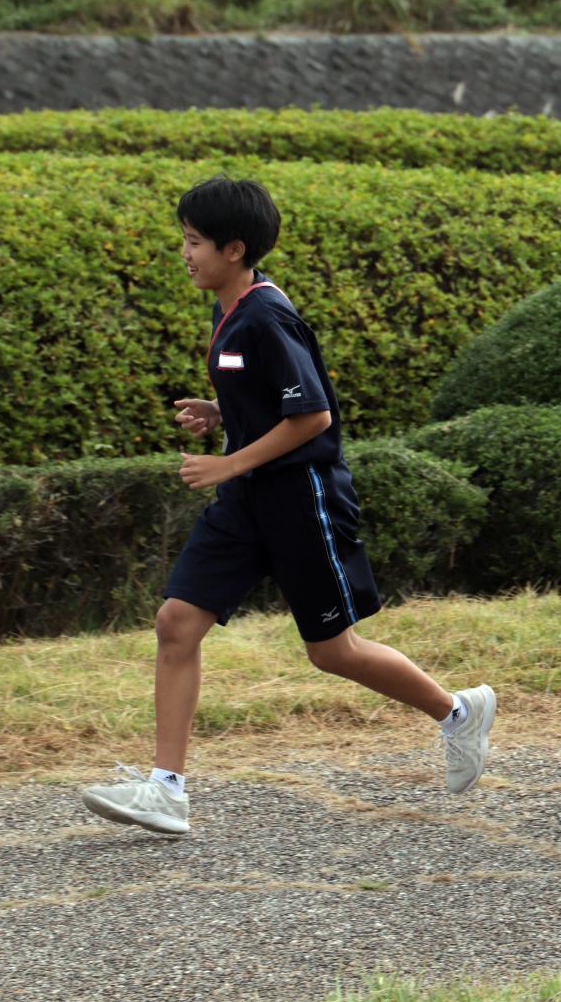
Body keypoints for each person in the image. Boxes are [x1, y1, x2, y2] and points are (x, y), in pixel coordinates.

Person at [81, 178, 494, 836]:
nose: (184, 253)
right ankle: (166, 788)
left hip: (302, 500)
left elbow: (313, 415)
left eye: (193, 242)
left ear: (234, 248)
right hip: (245, 500)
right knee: (176, 622)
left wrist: (228, 458)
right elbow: (274, 396)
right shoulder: (230, 308)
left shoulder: (265, 316)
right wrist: (226, 412)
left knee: (333, 651)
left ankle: (458, 713)